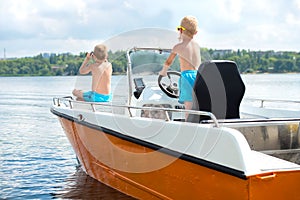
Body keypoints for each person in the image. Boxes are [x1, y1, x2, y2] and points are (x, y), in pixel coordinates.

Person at [159, 16, 201, 117]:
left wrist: (163, 72)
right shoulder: (197, 45)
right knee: (197, 105)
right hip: (198, 76)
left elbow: (168, 63)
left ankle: (188, 124)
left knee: (188, 106)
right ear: (195, 33)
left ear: (181, 30)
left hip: (186, 77)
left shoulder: (178, 47)